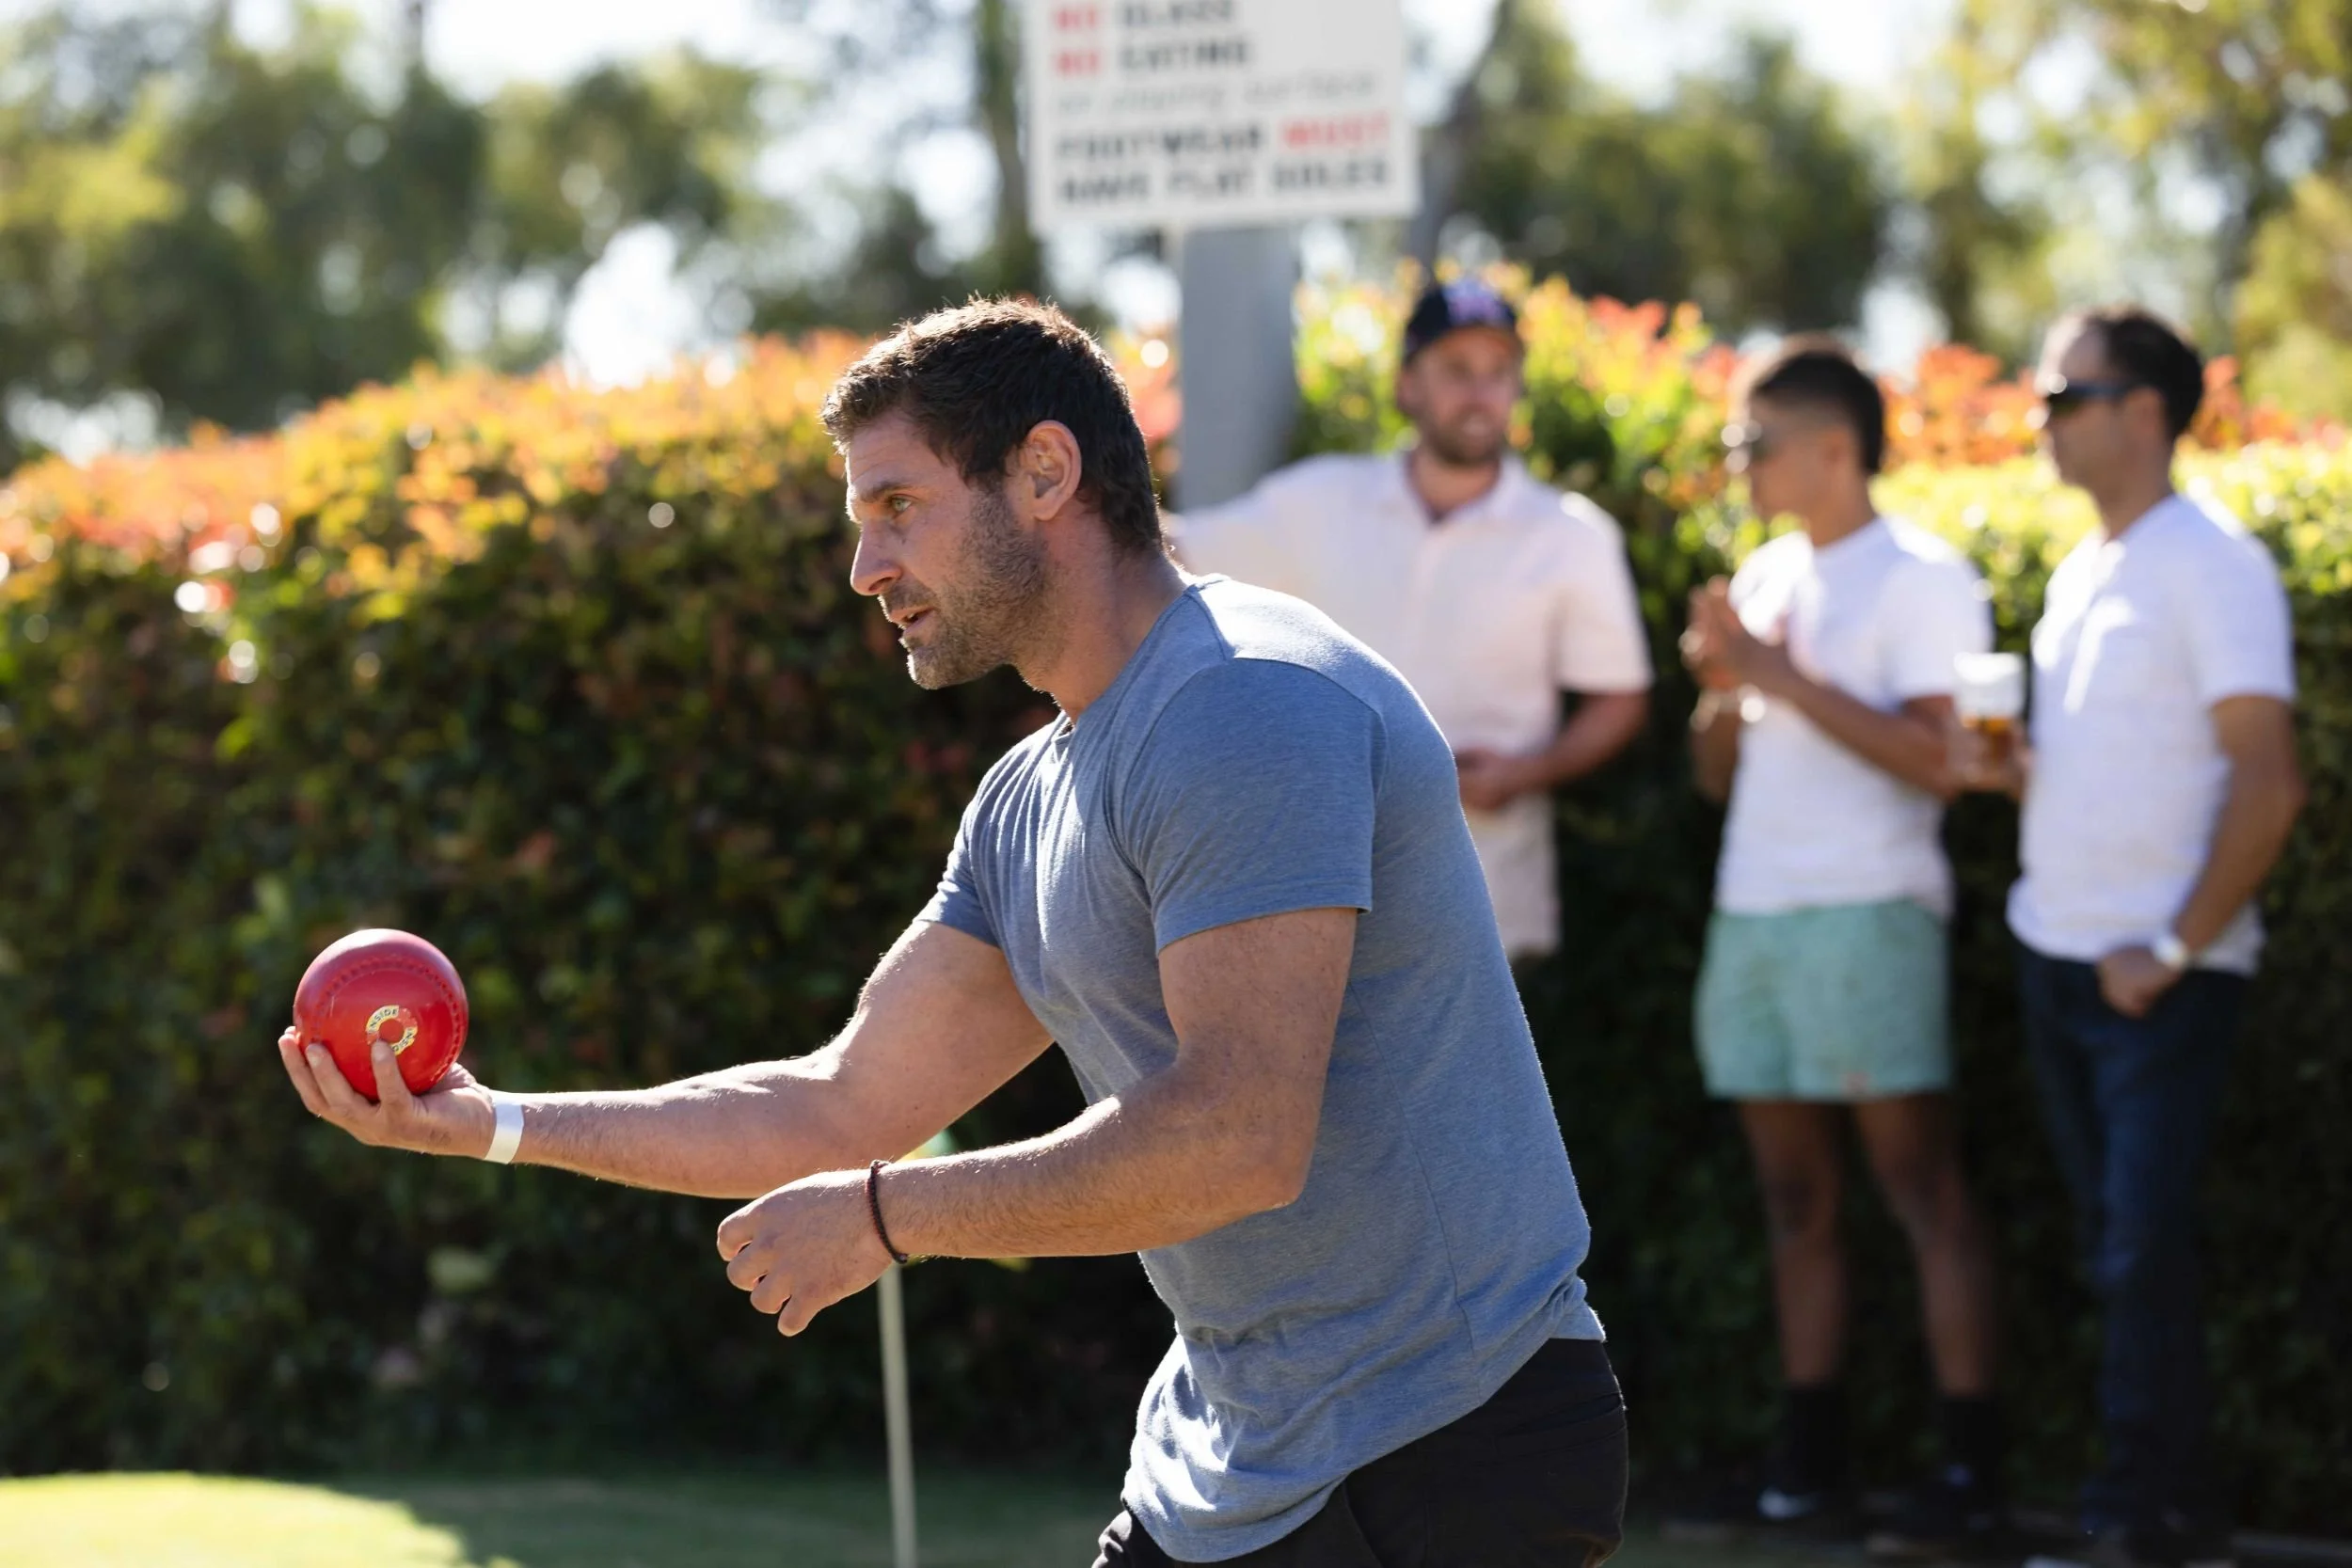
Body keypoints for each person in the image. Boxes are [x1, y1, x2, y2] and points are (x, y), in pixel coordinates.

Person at [277, 298, 1629, 1568]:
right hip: (1236, 1452)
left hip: (1451, 1436)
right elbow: (840, 1098)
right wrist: (490, 1120)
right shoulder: (1026, 798)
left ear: (1046, 472)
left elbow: (1238, 1132)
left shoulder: (1246, 699)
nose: (867, 565)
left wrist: (888, 1213)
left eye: (899, 507)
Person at [1965, 308, 2304, 1568]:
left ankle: (2146, 1523)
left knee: (2138, 1250)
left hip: (2156, 981)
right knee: (2120, 1252)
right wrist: (2006, 775)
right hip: (2061, 957)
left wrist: (2169, 947)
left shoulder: (2212, 564)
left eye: (2063, 396)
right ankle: (2166, 1513)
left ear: (2145, 410)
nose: (2040, 417)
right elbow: (2108, 765)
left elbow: (2268, 783)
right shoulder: (2089, 565)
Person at [1676, 339, 2005, 1552]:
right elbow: (1718, 774)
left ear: (1833, 447)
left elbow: (1942, 763)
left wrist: (1774, 670)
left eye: (1753, 442)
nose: (1738, 464)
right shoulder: (1763, 573)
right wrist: (1723, 689)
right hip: (1755, 913)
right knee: (1792, 1196)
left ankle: (1969, 1466)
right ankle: (1810, 1465)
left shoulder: (1922, 576)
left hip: (1871, 912)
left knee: (1921, 1188)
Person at [1169, 277, 1652, 967]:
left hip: (1487, 906)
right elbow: (1171, 550)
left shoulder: (1572, 535)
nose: (1480, 392)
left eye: (1499, 372)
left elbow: (1620, 698)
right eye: (1456, 369)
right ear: (1407, 386)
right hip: (1313, 894)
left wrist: (1528, 772)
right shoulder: (1321, 498)